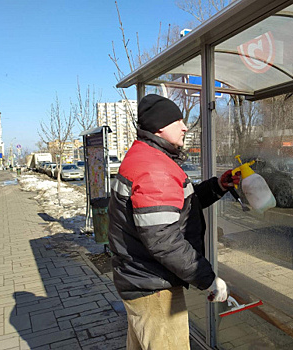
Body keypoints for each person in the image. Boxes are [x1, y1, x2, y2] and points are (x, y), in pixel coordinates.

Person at [107, 94, 240, 350]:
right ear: (159, 126)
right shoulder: (155, 169)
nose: (184, 126)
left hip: (139, 280)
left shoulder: (146, 157)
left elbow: (174, 207)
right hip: (154, 290)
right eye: (177, 120)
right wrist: (207, 278)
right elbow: (164, 240)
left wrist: (217, 187)